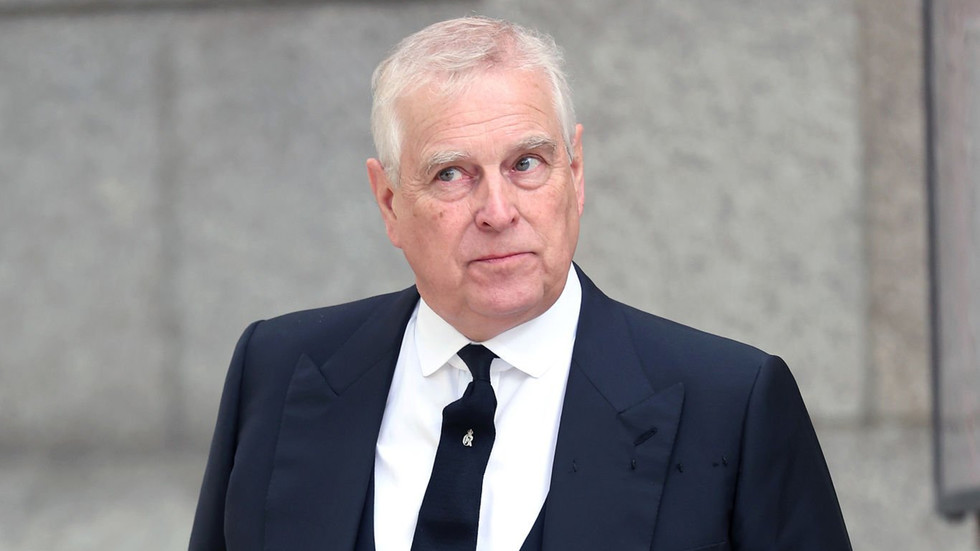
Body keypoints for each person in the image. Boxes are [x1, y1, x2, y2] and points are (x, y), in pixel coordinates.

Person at [189, 16, 851, 551]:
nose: (498, 211)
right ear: (389, 202)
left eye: (526, 163)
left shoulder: (732, 406)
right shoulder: (275, 373)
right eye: (451, 174)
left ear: (576, 174)